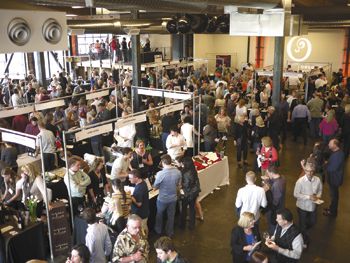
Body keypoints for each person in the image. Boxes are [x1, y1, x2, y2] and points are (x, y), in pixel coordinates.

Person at [293, 159, 322, 246]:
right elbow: (296, 194)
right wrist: (308, 197)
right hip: (302, 207)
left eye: (311, 171)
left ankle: (301, 230)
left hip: (312, 206)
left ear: (314, 171)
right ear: (305, 170)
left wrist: (318, 196)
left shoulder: (317, 180)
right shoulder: (300, 181)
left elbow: (320, 190)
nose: (309, 173)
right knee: (303, 225)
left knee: (313, 222)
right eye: (307, 171)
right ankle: (304, 240)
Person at [153, 154, 182, 237]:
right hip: (173, 198)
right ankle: (170, 232)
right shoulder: (178, 172)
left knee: (159, 215)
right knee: (171, 216)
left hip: (162, 199)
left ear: (162, 162)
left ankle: (158, 230)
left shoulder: (160, 174)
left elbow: (155, 187)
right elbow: (179, 185)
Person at [177, 156, 201, 230]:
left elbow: (186, 185)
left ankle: (182, 225)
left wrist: (181, 186)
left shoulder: (185, 172)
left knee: (184, 209)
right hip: (194, 192)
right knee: (192, 209)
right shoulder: (193, 170)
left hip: (187, 194)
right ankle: (192, 225)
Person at [262, 166, 286, 235]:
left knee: (272, 224)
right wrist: (267, 180)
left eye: (268, 173)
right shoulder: (282, 178)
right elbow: (273, 181)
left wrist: (267, 189)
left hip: (275, 209)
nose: (267, 174)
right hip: (281, 205)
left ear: (272, 173)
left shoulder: (276, 185)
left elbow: (275, 201)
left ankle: (273, 238)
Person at [323, 138, 344, 217]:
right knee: (333, 195)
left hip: (335, 179)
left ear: (335, 145)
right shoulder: (336, 152)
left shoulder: (338, 155)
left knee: (334, 196)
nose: (328, 145)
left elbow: (332, 168)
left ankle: (333, 212)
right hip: (333, 178)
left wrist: (325, 165)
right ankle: (331, 208)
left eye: (330, 144)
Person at [128, 169, 150, 236]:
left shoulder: (139, 189)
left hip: (141, 214)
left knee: (142, 231)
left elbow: (139, 204)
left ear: (136, 178)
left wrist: (130, 196)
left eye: (130, 178)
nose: (129, 179)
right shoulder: (143, 182)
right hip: (145, 211)